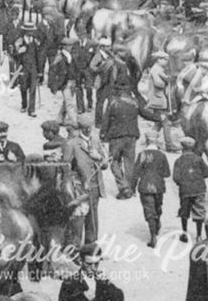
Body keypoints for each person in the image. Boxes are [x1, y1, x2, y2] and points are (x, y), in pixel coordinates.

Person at [62, 113, 106, 243]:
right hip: (79, 189)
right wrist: (75, 183)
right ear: (80, 127)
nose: (88, 130)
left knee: (92, 220)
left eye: (89, 127)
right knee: (78, 220)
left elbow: (105, 164)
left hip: (95, 187)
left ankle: (90, 248)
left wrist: (98, 157)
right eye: (84, 127)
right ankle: (74, 249)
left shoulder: (96, 141)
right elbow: (65, 168)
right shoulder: (72, 144)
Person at [100, 79, 140, 200]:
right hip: (131, 136)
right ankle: (131, 188)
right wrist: (159, 117)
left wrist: (102, 135)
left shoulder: (112, 102)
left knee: (115, 162)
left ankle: (124, 187)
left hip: (116, 137)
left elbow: (105, 119)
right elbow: (145, 113)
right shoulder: (135, 102)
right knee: (129, 162)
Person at [129, 131, 170, 247]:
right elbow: (167, 173)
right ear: (157, 142)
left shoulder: (142, 154)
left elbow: (135, 173)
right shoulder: (162, 155)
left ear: (146, 141)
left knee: (149, 211)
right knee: (158, 207)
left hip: (145, 186)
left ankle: (152, 236)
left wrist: (132, 188)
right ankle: (157, 223)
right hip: (158, 187)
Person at [172, 137, 208, 241]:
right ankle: (199, 235)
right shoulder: (198, 159)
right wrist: (197, 177)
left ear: (182, 148)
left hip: (185, 190)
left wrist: (182, 182)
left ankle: (184, 233)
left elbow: (175, 178)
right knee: (199, 211)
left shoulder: (179, 161)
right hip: (199, 189)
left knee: (184, 211)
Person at [48, 36, 79, 127]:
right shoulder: (59, 57)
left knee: (66, 102)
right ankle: (74, 122)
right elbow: (52, 71)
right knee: (69, 103)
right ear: (64, 46)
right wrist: (53, 84)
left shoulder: (71, 56)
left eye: (71, 45)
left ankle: (59, 119)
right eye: (69, 45)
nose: (71, 47)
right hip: (64, 83)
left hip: (72, 82)